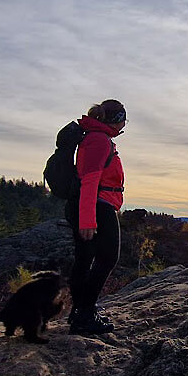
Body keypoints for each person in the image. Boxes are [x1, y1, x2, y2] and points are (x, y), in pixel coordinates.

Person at [65, 99, 126, 335]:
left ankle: (80, 311)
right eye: (123, 119)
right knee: (108, 258)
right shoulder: (99, 140)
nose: (123, 125)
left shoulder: (94, 136)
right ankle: (85, 314)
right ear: (116, 118)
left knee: (84, 258)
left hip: (92, 205)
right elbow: (90, 181)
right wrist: (88, 220)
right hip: (98, 206)